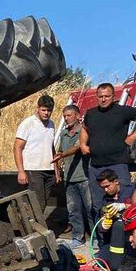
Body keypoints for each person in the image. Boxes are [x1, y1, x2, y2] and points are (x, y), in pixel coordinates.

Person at [80, 82, 136, 221]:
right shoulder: (91, 113)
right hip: (96, 166)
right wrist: (83, 144)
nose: (103, 99)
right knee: (98, 205)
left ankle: (124, 236)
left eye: (107, 96)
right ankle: (102, 240)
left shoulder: (122, 111)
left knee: (122, 202)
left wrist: (134, 136)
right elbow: (84, 128)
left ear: (113, 96)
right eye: (100, 96)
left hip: (118, 164)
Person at [52, 105, 92, 248]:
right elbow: (60, 153)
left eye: (69, 115)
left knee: (90, 209)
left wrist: (62, 155)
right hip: (69, 179)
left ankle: (95, 237)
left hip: (84, 177)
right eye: (64, 116)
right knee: (73, 210)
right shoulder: (63, 134)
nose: (66, 118)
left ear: (77, 115)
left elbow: (77, 148)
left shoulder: (83, 131)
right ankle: (78, 236)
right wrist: (58, 172)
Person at [14, 95, 59, 217]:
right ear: (38, 108)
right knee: (38, 202)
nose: (46, 113)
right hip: (33, 169)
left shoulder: (52, 124)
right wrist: (21, 171)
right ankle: (35, 230)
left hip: (48, 169)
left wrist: (56, 170)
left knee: (45, 200)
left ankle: (36, 227)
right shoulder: (28, 123)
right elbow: (18, 147)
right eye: (43, 110)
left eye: (49, 110)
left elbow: (51, 147)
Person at [95, 169, 135, 271]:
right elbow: (102, 222)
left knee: (119, 224)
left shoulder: (130, 190)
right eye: (103, 187)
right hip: (116, 238)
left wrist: (124, 206)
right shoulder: (106, 199)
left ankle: (134, 256)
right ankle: (116, 256)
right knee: (102, 262)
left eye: (108, 186)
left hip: (132, 235)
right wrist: (104, 226)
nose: (106, 190)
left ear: (116, 181)